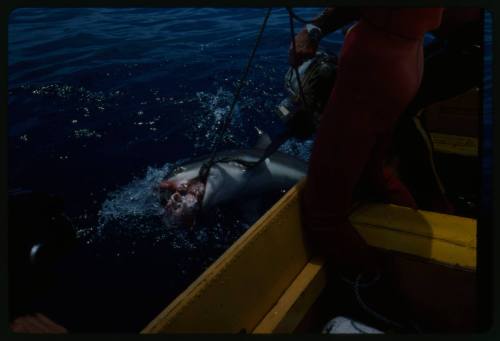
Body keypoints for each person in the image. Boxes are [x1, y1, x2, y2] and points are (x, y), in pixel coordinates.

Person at [289, 8, 445, 275]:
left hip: (374, 64)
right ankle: (414, 255)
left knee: (323, 214)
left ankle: (382, 288)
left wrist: (313, 29)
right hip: (406, 54)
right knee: (375, 173)